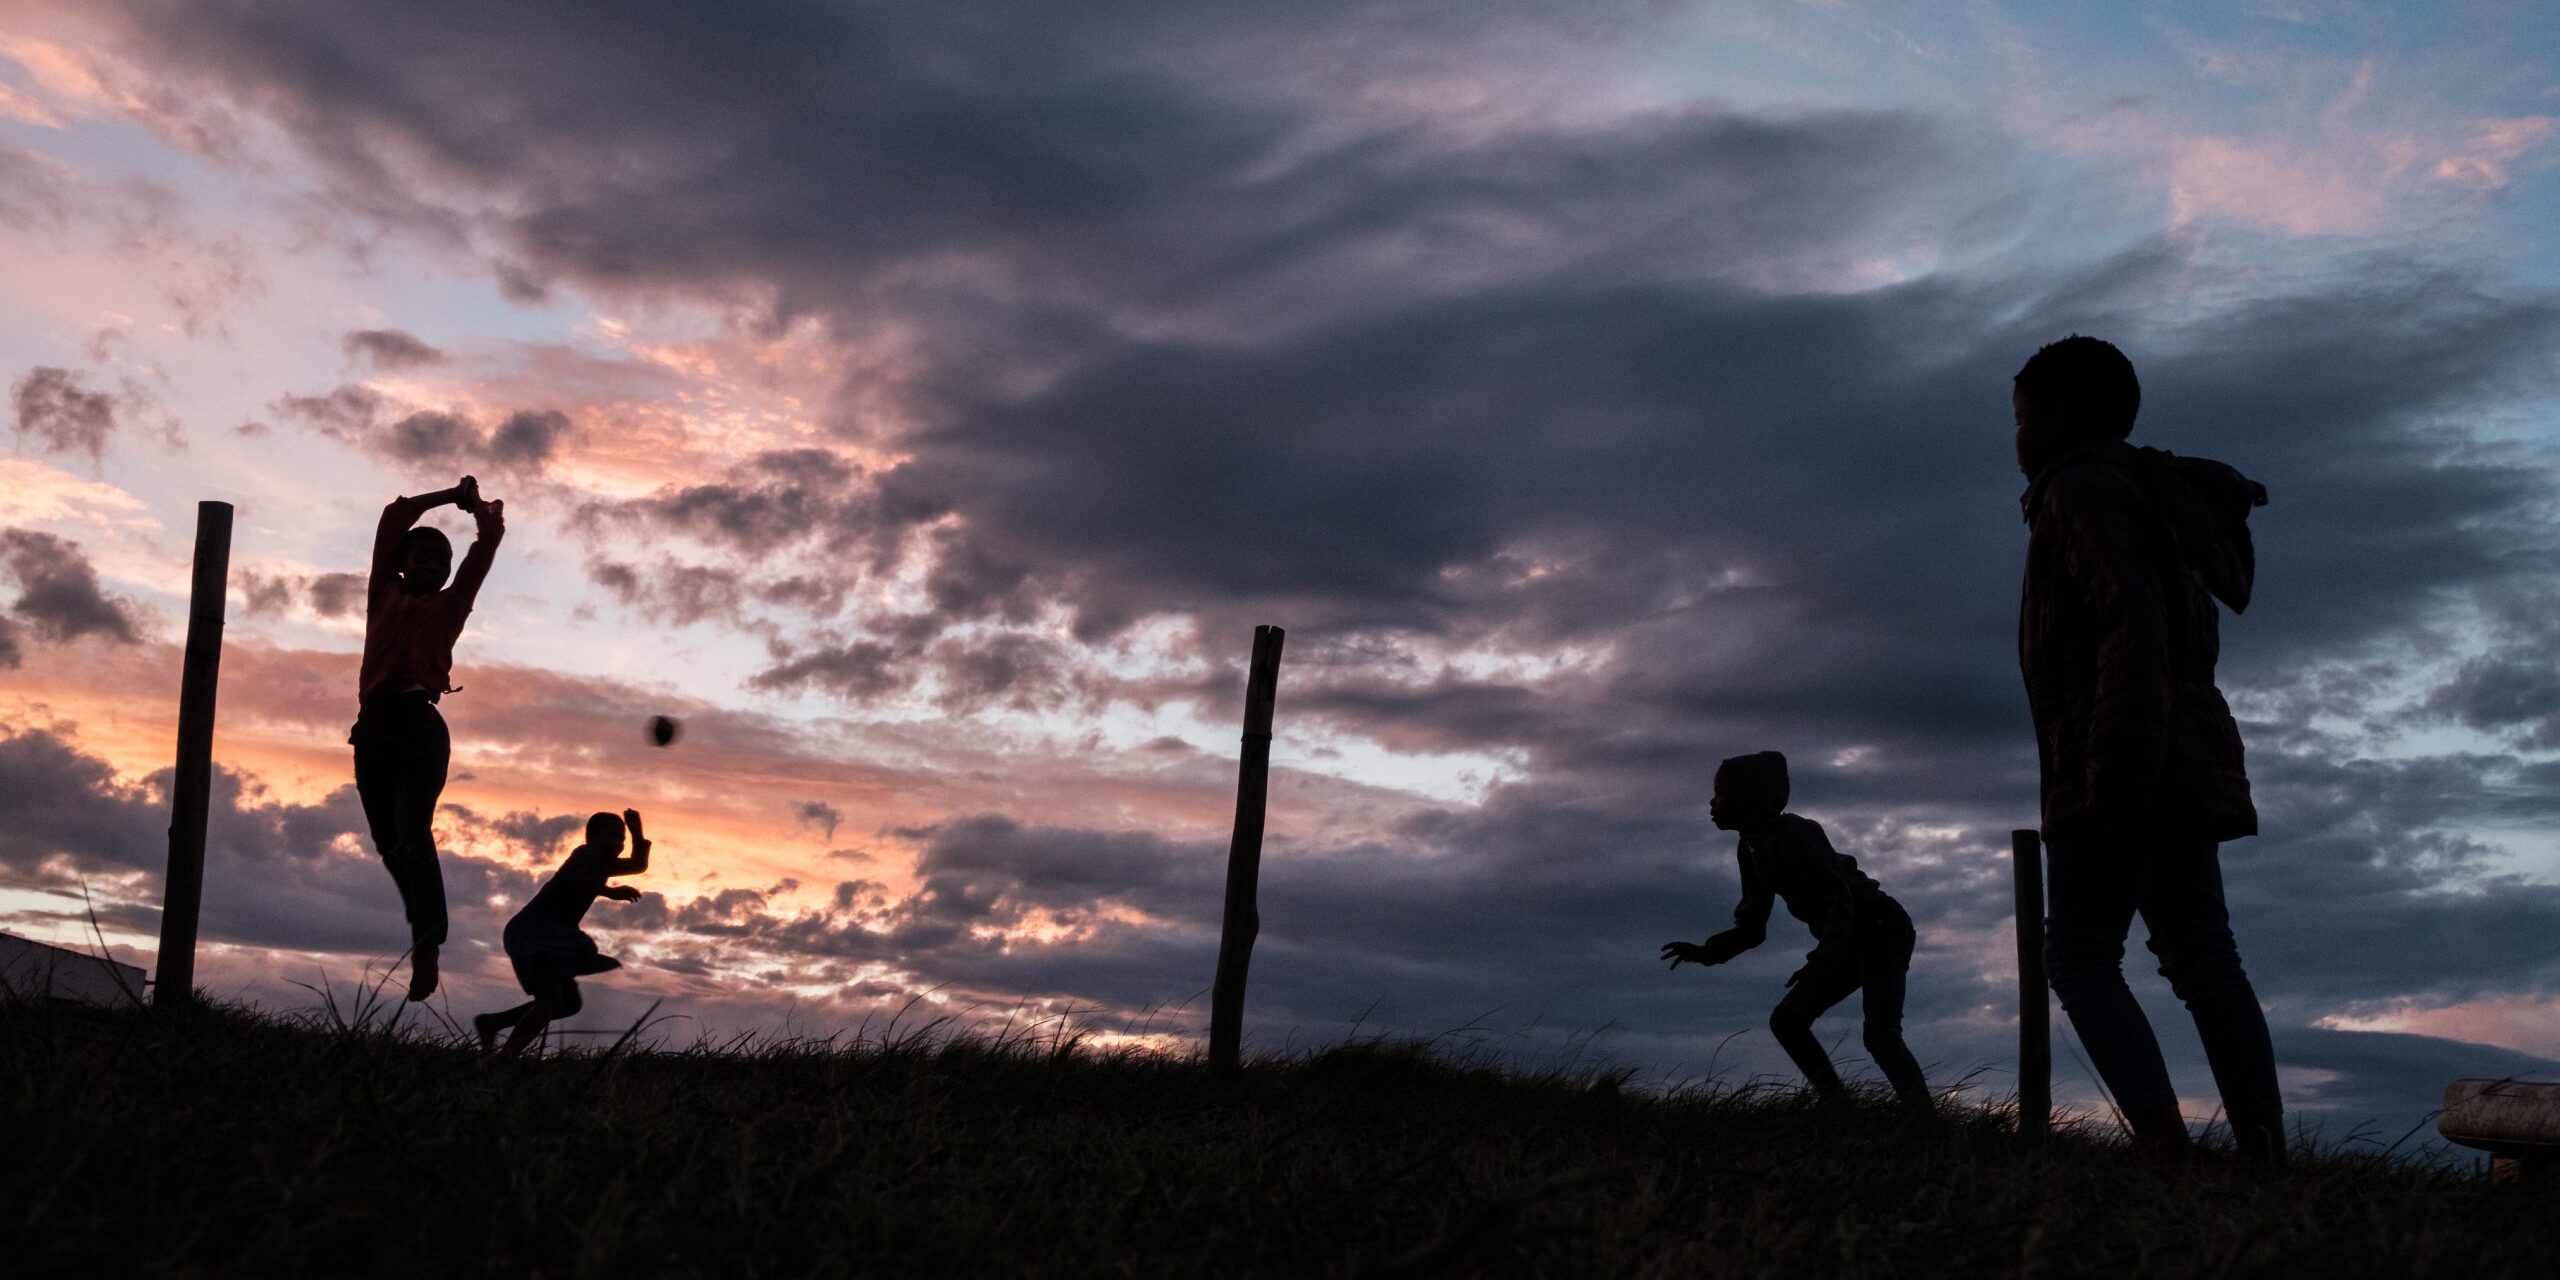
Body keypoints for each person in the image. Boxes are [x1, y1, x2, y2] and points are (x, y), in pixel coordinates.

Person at [2012, 334, 2282, 1165]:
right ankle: (2265, 1157)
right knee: (2204, 959)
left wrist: (2112, 773)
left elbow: (2132, 622)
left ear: (2059, 416)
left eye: (2022, 419)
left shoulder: (2082, 490)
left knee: (2081, 956)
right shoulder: (2158, 498)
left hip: (2122, 752)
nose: (2016, 439)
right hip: (2183, 754)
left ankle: (2163, 1149)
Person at [1662, 751, 1930, 1107]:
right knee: (1787, 1021)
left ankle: (1927, 1122)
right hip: (1845, 940)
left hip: (1881, 928)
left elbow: (1842, 900)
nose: (1712, 803)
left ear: (1747, 798)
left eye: (1720, 794)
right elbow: (1753, 926)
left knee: (1881, 1034)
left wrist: (1821, 963)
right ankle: (1840, 1110)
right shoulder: (1751, 849)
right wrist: (1707, 951)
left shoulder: (1800, 834)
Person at [352, 475, 505, 1001]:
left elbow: (484, 551)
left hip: (421, 725)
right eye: (425, 557)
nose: (436, 567)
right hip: (373, 727)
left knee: (413, 829)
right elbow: (393, 518)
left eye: (443, 562)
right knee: (387, 840)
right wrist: (448, 496)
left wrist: (481, 512)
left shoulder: (451, 605)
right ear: (403, 564)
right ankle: (421, 924)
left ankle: (428, 942)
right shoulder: (383, 594)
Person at [477, 809, 655, 1055]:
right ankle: (507, 1058)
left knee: (567, 1004)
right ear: (592, 838)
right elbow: (577, 878)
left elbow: (637, 865)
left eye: (621, 839)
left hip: (550, 935)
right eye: (611, 836)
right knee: (550, 1000)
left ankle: (492, 1023)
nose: (617, 843)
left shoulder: (603, 863)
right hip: (535, 934)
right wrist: (610, 892)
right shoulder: (585, 854)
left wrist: (636, 832)